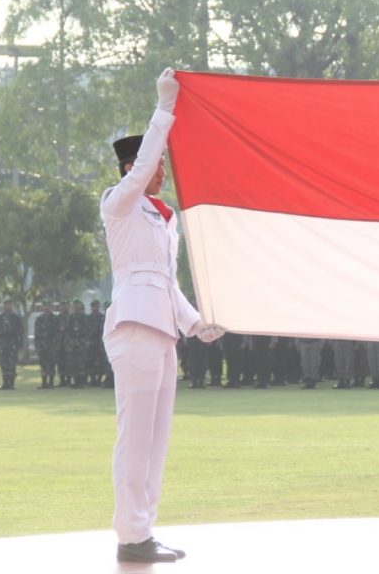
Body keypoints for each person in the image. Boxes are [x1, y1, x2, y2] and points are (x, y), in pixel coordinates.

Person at [100, 67, 224, 564]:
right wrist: (165, 108)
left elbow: (167, 283)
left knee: (155, 441)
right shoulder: (120, 204)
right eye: (156, 165)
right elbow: (147, 281)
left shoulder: (161, 217)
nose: (163, 171)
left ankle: (142, 531)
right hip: (133, 328)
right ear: (134, 166)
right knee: (134, 438)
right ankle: (130, 534)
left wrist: (197, 323)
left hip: (164, 331)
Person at [0, 299, 23, 390]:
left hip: (13, 343)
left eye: (9, 304)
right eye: (6, 305)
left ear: (12, 306)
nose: (8, 306)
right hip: (2, 344)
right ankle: (5, 383)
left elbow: (21, 332)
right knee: (3, 364)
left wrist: (20, 344)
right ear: (3, 306)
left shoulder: (16, 317)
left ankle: (11, 383)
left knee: (12, 364)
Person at [34, 301, 59, 389]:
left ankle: (51, 382)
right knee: (43, 364)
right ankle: (44, 382)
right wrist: (37, 345)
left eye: (48, 306)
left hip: (51, 345)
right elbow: (36, 334)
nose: (47, 308)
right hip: (42, 345)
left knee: (51, 364)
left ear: (51, 307)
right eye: (45, 306)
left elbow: (57, 333)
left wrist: (55, 344)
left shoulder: (55, 319)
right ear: (42, 307)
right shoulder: (39, 319)